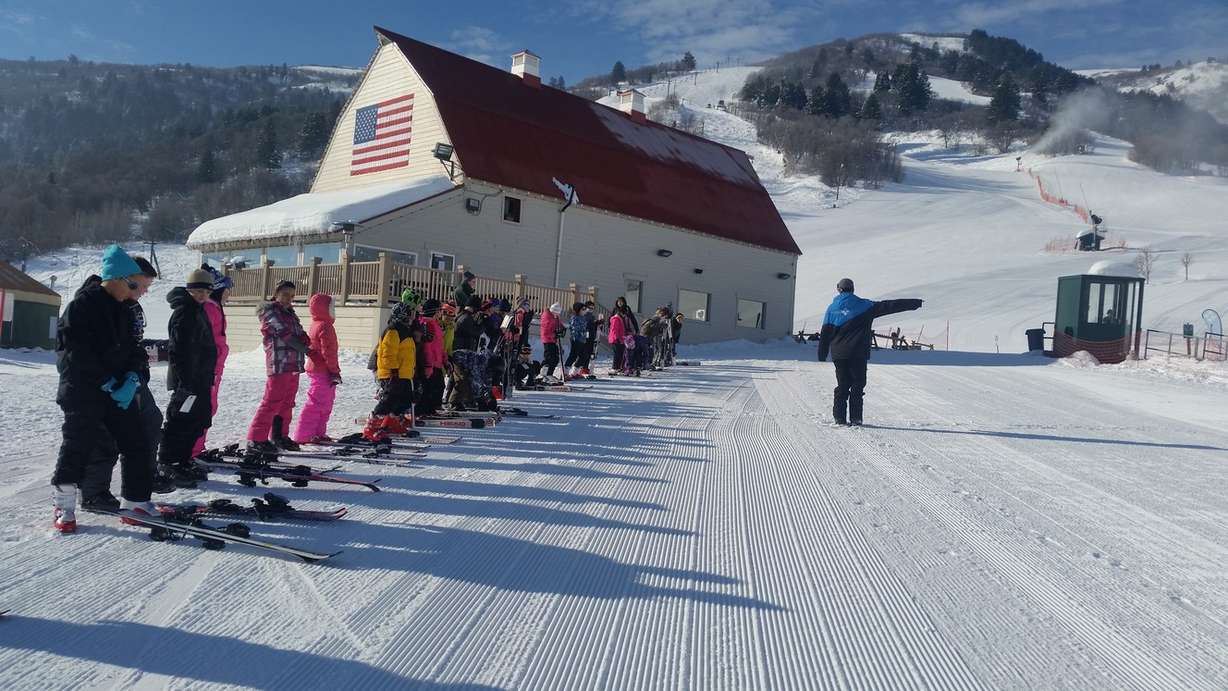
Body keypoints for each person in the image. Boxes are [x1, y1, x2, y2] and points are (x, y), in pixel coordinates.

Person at [51, 245, 159, 531]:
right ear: (116, 278)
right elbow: (73, 354)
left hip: (117, 391)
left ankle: (136, 501)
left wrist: (134, 378)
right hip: (83, 390)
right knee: (78, 445)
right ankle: (64, 505)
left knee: (137, 441)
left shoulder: (124, 310)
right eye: (134, 284)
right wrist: (107, 382)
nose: (137, 291)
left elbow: (133, 350)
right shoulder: (82, 307)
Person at [79, 256, 166, 511]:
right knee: (105, 436)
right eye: (141, 286)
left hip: (131, 377)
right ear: (126, 279)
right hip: (102, 382)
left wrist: (135, 373)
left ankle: (139, 485)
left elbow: (134, 344)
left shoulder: (130, 305)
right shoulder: (94, 303)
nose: (143, 292)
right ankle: (94, 493)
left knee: (149, 425)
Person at [816, 278, 923, 426]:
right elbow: (889, 306)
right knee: (858, 384)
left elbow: (825, 333)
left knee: (842, 384)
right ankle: (856, 418)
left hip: (839, 354)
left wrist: (822, 354)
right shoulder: (865, 305)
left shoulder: (831, 309)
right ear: (852, 289)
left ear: (838, 289)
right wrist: (913, 303)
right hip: (858, 353)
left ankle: (839, 418)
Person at [158, 270, 219, 486]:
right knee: (179, 421)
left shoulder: (197, 310)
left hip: (200, 379)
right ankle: (167, 462)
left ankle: (182, 459)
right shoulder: (185, 312)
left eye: (206, 291)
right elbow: (178, 350)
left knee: (199, 419)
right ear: (189, 290)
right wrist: (186, 382)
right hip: (188, 381)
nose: (202, 295)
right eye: (197, 291)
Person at [247, 280, 310, 452]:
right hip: (280, 363)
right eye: (285, 294)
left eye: (291, 295)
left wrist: (306, 338)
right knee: (272, 401)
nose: (288, 299)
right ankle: (256, 438)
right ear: (276, 294)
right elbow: (284, 333)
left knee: (287, 403)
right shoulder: (270, 312)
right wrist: (304, 348)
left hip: (293, 365)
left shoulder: (290, 313)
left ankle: (279, 435)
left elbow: (299, 332)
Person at [190, 264, 231, 457]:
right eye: (226, 290)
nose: (228, 294)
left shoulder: (215, 308)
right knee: (203, 408)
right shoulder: (209, 308)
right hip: (208, 366)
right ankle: (192, 448)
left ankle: (197, 446)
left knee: (210, 407)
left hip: (215, 365)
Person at [363, 303, 419, 441]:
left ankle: (392, 422)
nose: (412, 317)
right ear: (402, 315)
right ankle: (373, 424)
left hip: (404, 373)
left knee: (404, 399)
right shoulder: (393, 330)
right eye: (409, 314)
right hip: (393, 373)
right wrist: (393, 371)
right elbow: (388, 353)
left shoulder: (405, 330)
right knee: (389, 399)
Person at [292, 293, 342, 444]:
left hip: (320, 369)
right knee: (317, 403)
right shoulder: (325, 326)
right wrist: (334, 371)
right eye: (331, 307)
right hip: (323, 370)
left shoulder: (317, 324)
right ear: (324, 309)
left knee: (325, 403)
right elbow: (328, 351)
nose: (333, 311)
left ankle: (318, 432)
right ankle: (303, 435)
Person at [417, 298, 447, 417]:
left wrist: (445, 360)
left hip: (437, 361)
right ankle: (424, 410)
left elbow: (440, 344)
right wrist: (428, 364)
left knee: (439, 386)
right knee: (429, 388)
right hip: (430, 362)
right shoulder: (427, 324)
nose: (441, 313)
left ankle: (431, 409)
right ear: (435, 311)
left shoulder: (435, 324)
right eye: (440, 310)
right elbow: (427, 346)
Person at [540, 302, 564, 380]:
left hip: (553, 340)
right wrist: (554, 334)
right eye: (556, 313)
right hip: (547, 340)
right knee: (549, 358)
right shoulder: (546, 316)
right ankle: (544, 373)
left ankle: (550, 373)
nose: (557, 315)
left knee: (556, 358)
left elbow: (559, 323)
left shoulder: (555, 316)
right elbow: (546, 331)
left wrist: (562, 328)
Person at [563, 302, 588, 377]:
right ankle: (565, 372)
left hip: (582, 340)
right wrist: (582, 332)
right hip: (576, 339)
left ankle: (575, 372)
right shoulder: (574, 318)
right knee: (573, 355)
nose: (584, 311)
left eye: (585, 309)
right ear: (578, 310)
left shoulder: (583, 318)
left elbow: (584, 327)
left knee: (584, 356)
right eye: (583, 309)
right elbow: (574, 328)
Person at [607, 305, 628, 375]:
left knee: (620, 354)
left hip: (620, 339)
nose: (625, 315)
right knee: (617, 354)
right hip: (616, 339)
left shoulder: (620, 318)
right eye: (624, 313)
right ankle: (614, 368)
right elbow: (614, 330)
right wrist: (617, 338)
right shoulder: (616, 319)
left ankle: (618, 368)